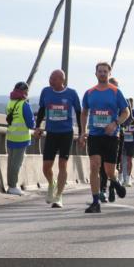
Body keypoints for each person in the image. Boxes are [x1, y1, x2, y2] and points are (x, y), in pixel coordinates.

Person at [79, 62, 129, 214]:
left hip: (111, 136)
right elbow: (84, 112)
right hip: (94, 135)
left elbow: (125, 112)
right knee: (94, 166)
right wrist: (82, 132)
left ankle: (115, 181)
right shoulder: (89, 93)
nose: (102, 74)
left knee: (109, 171)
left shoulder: (115, 92)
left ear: (109, 74)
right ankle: (95, 202)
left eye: (105, 71)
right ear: (96, 74)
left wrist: (115, 123)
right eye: (100, 71)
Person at [34, 69, 82, 208]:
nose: (51, 81)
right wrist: (38, 127)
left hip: (66, 133)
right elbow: (42, 109)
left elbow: (79, 113)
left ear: (62, 80)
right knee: (46, 166)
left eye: (54, 79)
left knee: (62, 164)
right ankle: (51, 183)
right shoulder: (46, 91)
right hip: (51, 133)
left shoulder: (71, 93)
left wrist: (81, 133)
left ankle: (59, 196)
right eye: (50, 78)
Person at [4, 81, 35, 196]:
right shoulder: (24, 104)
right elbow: (31, 124)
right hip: (21, 138)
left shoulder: (9, 103)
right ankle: (13, 186)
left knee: (11, 163)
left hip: (11, 136)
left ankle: (10, 185)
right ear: (24, 91)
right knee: (16, 164)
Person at [118, 98, 134, 187]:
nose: (128, 107)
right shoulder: (121, 111)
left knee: (129, 160)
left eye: (130, 105)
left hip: (131, 141)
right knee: (121, 160)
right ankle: (120, 178)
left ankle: (128, 179)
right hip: (122, 140)